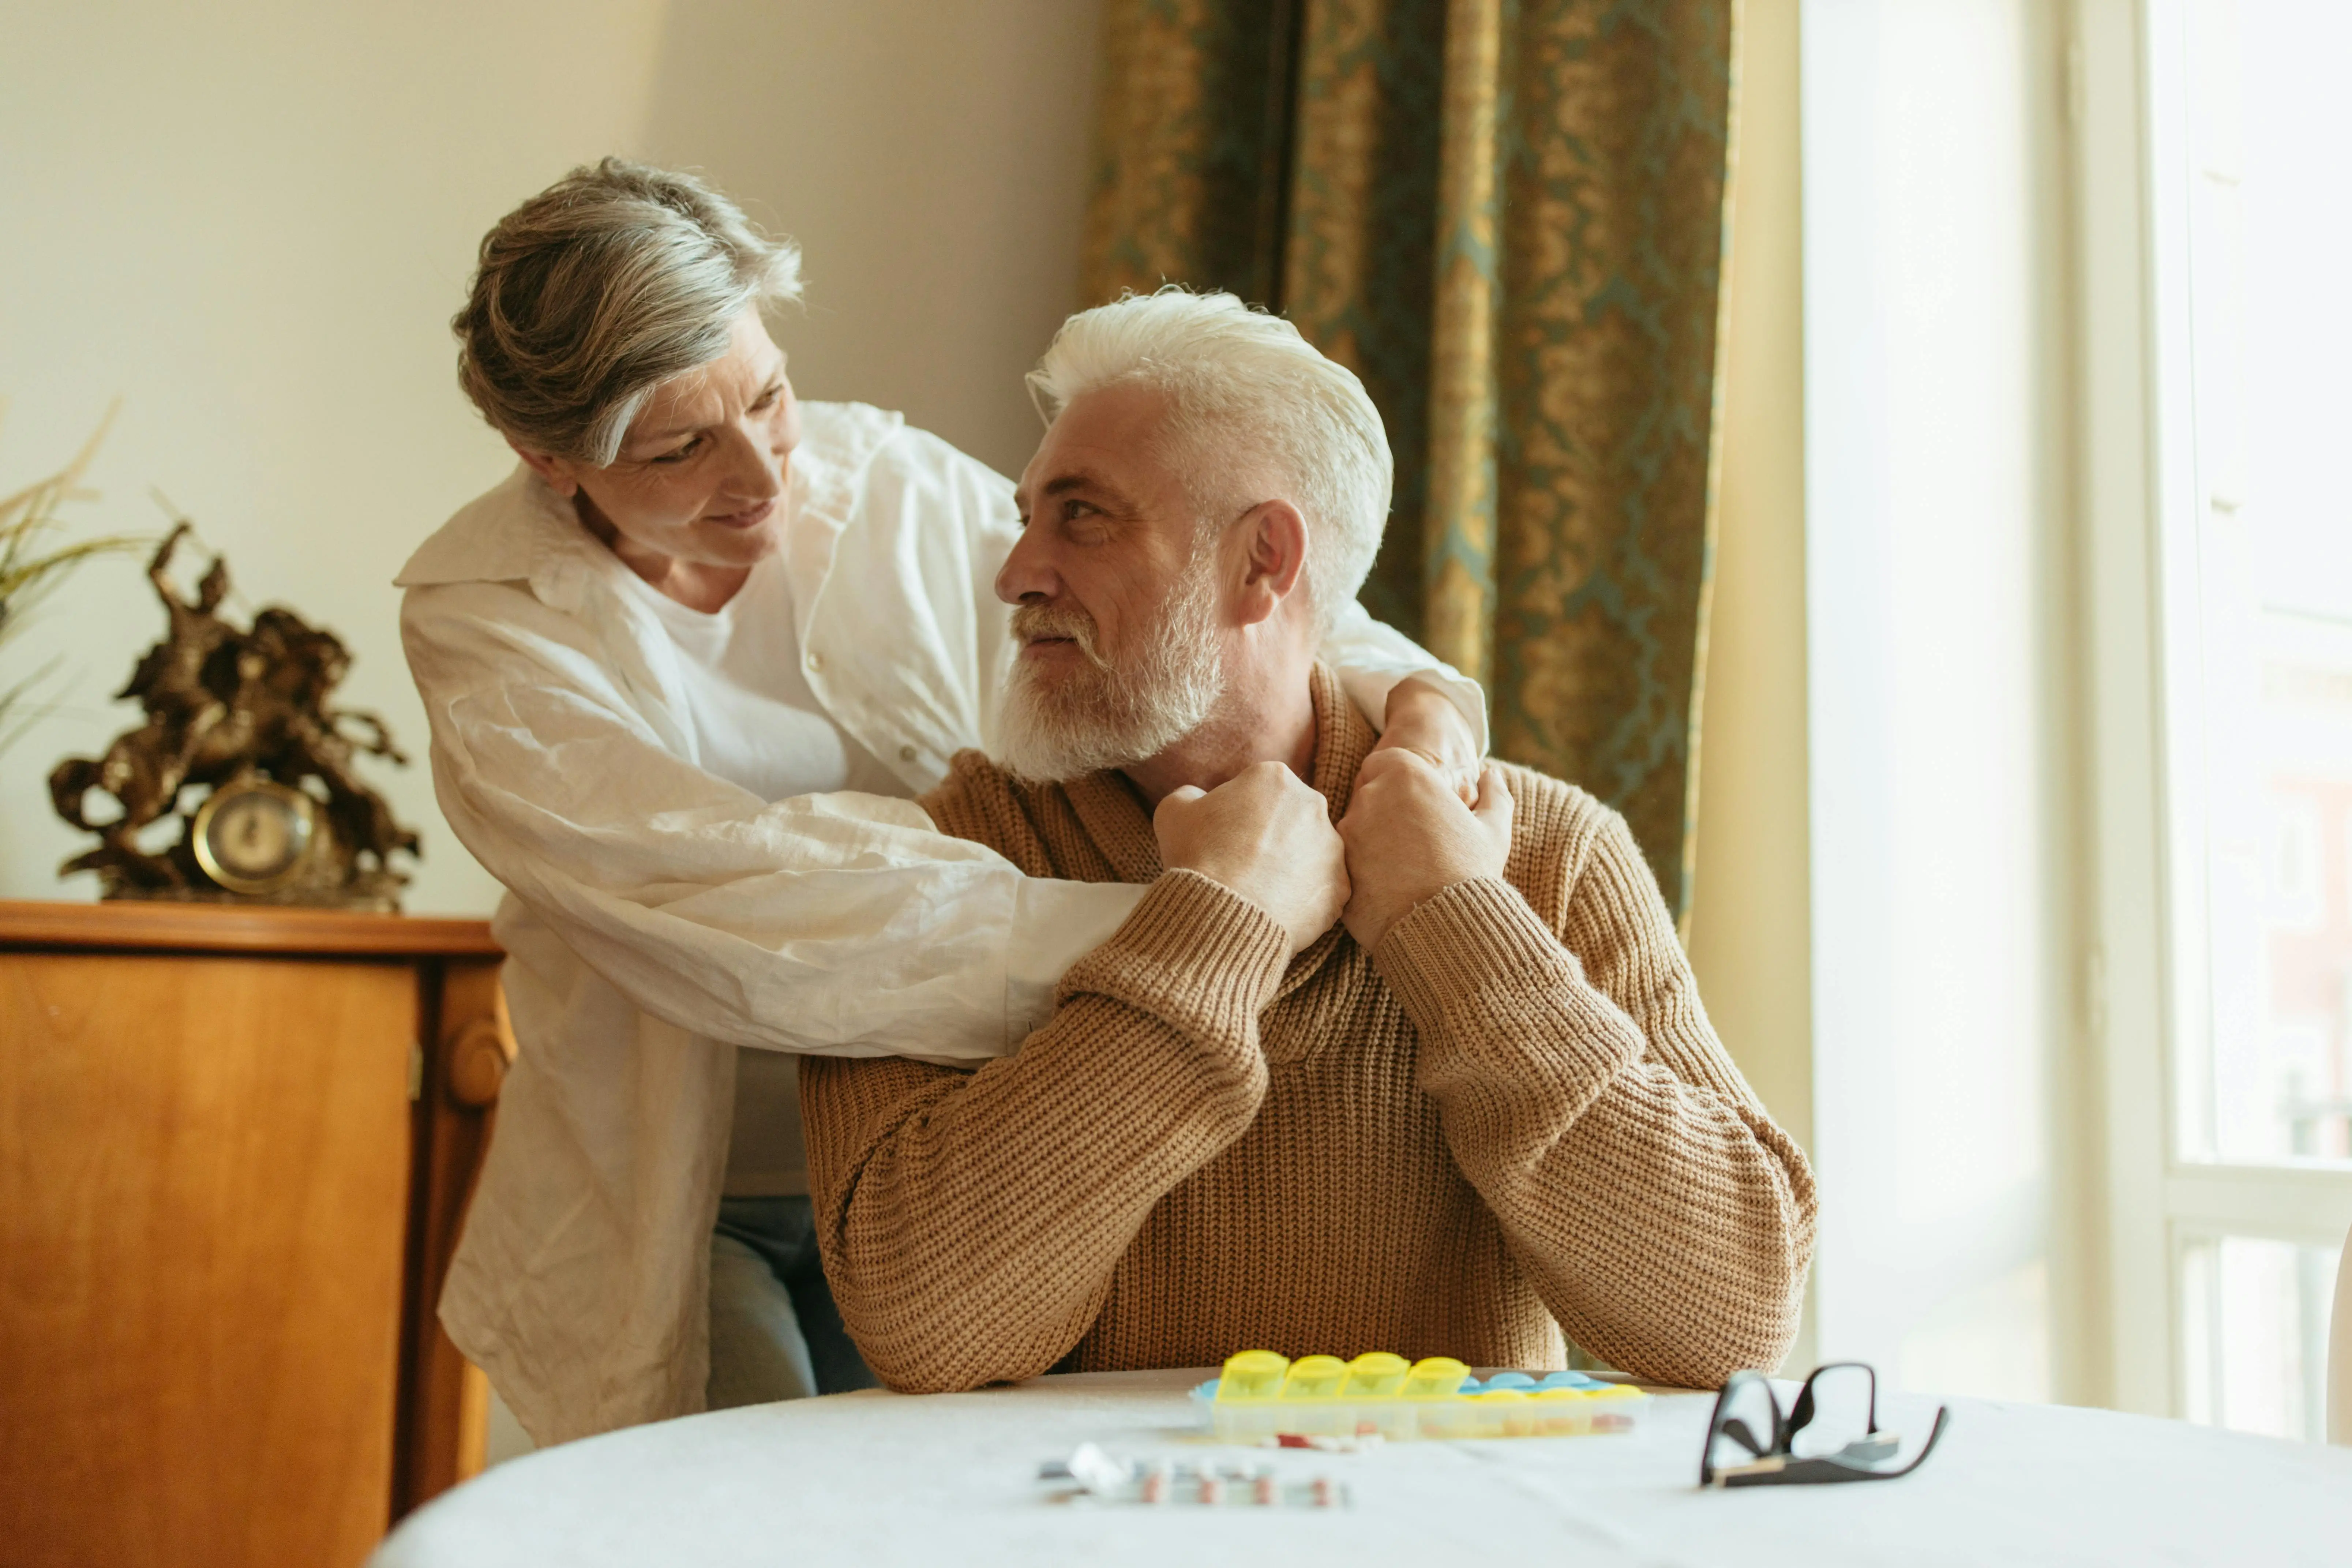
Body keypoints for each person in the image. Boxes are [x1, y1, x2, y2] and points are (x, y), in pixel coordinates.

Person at [397, 160, 1486, 1444]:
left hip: (952, 1158)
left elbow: (1177, 599)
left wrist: (1418, 702)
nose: (757, 471)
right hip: (702, 1197)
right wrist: (1220, 925)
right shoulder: (487, 627)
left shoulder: (888, 484)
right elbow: (751, 910)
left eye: (769, 396)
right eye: (679, 446)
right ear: (546, 459)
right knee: (757, 1523)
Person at [800, 290, 1816, 1392]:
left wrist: (1455, 923)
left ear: (1261, 561)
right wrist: (1214, 928)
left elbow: (1738, 1314)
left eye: (1082, 516)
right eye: (1028, 516)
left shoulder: (1549, 852)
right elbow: (921, 1324)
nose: (1016, 573)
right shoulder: (944, 861)